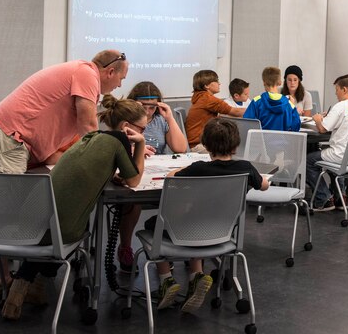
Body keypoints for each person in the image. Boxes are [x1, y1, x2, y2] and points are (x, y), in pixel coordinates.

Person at [0, 49, 128, 299]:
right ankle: (0, 282)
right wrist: (110, 163)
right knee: (2, 215)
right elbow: (89, 129)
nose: (120, 84)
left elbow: (64, 146)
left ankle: (12, 279)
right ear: (110, 71)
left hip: (15, 142)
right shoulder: (87, 73)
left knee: (10, 211)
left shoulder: (78, 74)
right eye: (121, 78)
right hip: (7, 139)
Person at [1, 95, 145, 320]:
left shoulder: (92, 137)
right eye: (142, 128)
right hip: (60, 232)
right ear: (127, 126)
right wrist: (141, 144)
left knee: (59, 223)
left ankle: (27, 288)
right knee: (73, 229)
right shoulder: (120, 141)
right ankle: (30, 285)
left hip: (31, 223)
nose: (144, 132)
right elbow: (134, 181)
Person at [148, 118, 269, 313]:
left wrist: (180, 169)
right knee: (196, 223)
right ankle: (196, 276)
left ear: (205, 145)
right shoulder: (246, 168)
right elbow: (263, 186)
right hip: (224, 233)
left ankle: (166, 279)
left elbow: (171, 178)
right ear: (235, 145)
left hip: (187, 232)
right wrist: (260, 179)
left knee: (154, 225)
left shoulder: (198, 169)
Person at [113, 81, 187, 272]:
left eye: (152, 107)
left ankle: (168, 247)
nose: (147, 112)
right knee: (132, 202)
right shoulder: (126, 121)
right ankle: (125, 247)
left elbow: (180, 148)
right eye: (142, 107)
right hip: (134, 173)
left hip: (157, 174)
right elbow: (116, 147)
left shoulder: (160, 120)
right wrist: (136, 149)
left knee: (179, 197)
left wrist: (170, 118)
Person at [306, 75, 348, 211]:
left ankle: (323, 198)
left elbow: (323, 129)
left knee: (308, 161)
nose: (336, 93)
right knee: (330, 160)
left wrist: (318, 119)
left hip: (340, 155)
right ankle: (340, 198)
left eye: (337, 90)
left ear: (344, 89)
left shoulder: (340, 106)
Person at [186, 70, 245, 152]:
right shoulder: (208, 99)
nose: (219, 83)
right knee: (233, 148)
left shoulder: (200, 97)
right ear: (207, 85)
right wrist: (256, 108)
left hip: (196, 143)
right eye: (217, 81)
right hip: (200, 145)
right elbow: (236, 112)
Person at [244, 67, 301, 132]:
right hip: (282, 139)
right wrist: (292, 106)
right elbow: (296, 127)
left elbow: (246, 124)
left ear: (264, 82)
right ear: (280, 82)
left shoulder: (256, 102)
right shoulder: (289, 104)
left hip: (262, 138)